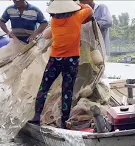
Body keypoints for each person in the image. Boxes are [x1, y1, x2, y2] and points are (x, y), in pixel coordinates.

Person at [28, 0, 93, 129]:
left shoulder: (54, 21)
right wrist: (77, 5)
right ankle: (64, 121)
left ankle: (36, 116)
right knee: (67, 91)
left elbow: (47, 35)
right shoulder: (77, 17)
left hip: (55, 60)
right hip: (71, 60)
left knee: (44, 88)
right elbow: (89, 9)